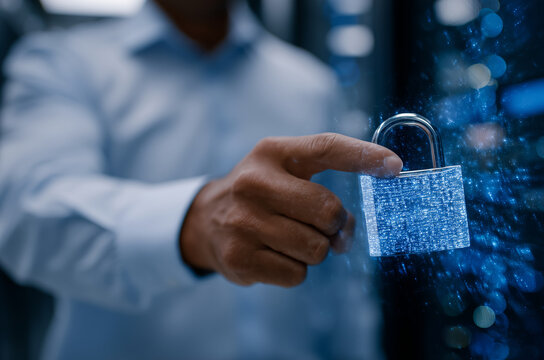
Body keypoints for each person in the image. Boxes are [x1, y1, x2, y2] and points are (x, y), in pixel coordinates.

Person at [0, 0, 402, 359]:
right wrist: (193, 225)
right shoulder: (64, 64)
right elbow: (26, 211)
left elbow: (343, 270)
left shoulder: (311, 86)